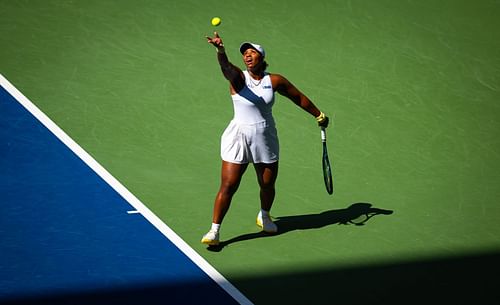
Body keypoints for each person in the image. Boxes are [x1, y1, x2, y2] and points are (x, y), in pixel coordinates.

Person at [201, 32, 330, 246]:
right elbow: (226, 68)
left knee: (267, 183)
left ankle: (265, 215)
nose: (247, 56)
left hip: (265, 136)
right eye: (245, 54)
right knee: (229, 185)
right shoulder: (238, 78)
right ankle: (215, 231)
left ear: (262, 57)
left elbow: (297, 97)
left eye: (252, 52)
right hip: (239, 136)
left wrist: (318, 114)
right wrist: (220, 50)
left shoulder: (275, 80)